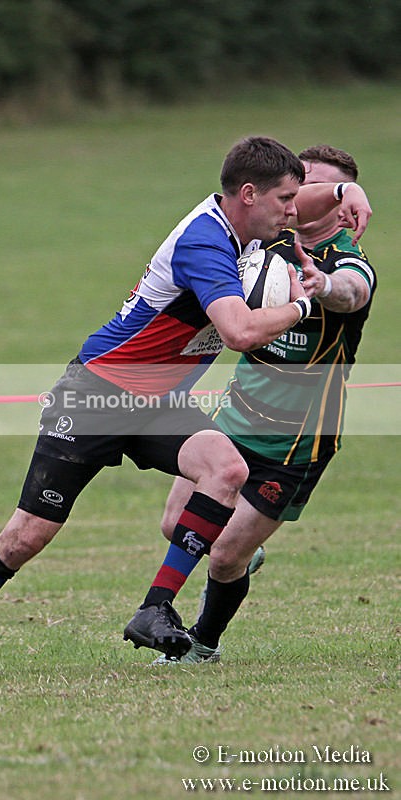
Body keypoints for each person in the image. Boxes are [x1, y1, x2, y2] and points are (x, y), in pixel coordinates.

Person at [0, 137, 372, 676]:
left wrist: (343, 188)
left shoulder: (247, 220)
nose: (294, 211)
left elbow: (302, 205)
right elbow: (238, 332)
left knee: (225, 468)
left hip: (158, 400)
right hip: (98, 393)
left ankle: (154, 610)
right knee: (27, 534)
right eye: (286, 199)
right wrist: (302, 303)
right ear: (249, 195)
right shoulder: (206, 244)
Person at [144, 144, 377, 665]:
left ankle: (203, 643)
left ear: (341, 208)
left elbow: (354, 292)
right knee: (176, 523)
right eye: (298, 189)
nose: (299, 202)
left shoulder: (346, 260)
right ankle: (247, 551)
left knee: (223, 555)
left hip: (295, 441)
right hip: (235, 418)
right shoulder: (266, 244)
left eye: (316, 190)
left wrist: (323, 286)